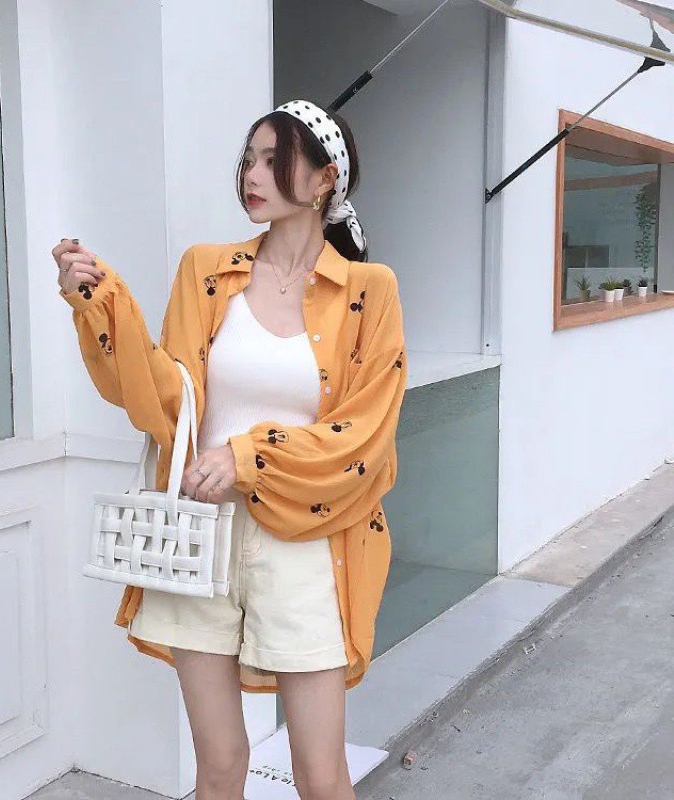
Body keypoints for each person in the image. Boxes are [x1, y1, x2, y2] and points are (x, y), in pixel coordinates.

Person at [52, 99, 407, 800]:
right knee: (217, 765)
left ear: (324, 180)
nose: (253, 173)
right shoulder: (206, 271)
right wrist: (100, 303)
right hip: (199, 538)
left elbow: (365, 433)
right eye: (249, 158)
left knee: (320, 774)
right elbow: (167, 400)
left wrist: (249, 457)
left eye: (275, 160)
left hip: (307, 546)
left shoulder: (369, 291)